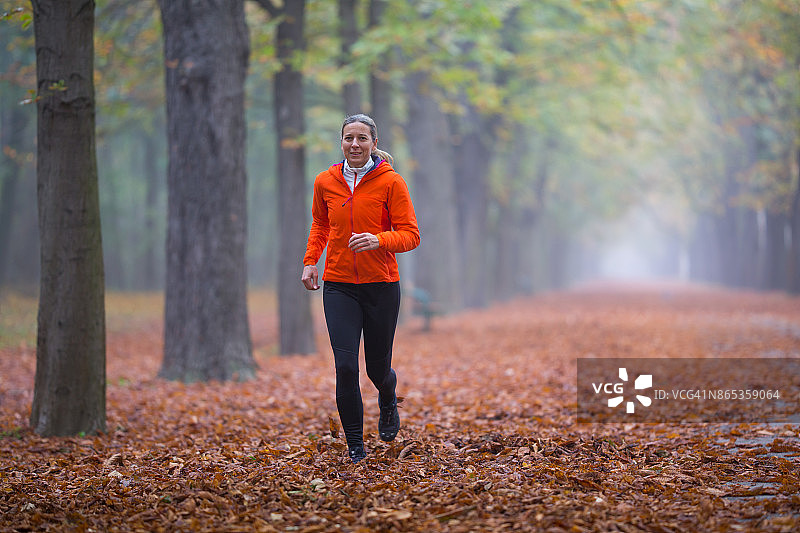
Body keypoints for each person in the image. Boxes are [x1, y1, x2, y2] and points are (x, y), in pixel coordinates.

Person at [301, 113, 420, 463]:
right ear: (341, 142)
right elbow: (320, 225)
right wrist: (311, 261)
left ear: (374, 143)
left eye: (362, 139)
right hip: (339, 286)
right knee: (346, 367)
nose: (355, 144)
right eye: (348, 138)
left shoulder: (391, 182)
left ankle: (388, 394)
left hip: (381, 286)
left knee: (376, 369)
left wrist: (378, 240)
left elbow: (411, 235)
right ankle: (355, 446)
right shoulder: (325, 181)